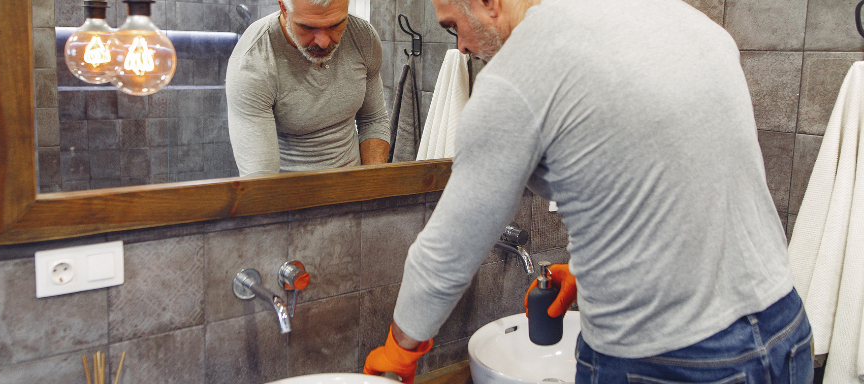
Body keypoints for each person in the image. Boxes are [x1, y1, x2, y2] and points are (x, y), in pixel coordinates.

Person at [362, 0, 813, 383]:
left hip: (667, 358)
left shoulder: (518, 74)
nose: (459, 46)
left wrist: (400, 348)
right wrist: (591, 266)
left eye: (453, 26)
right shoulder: (681, 18)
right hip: (785, 332)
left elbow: (446, 253)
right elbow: (651, 169)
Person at [225, 0, 390, 177]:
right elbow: (261, 177)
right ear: (284, 9)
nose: (324, 42)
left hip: (353, 193)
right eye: (308, 27)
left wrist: (370, 188)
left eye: (336, 25)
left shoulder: (363, 37)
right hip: (289, 198)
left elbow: (373, 119)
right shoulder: (253, 62)